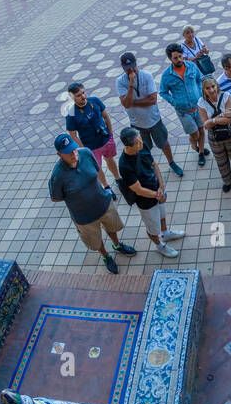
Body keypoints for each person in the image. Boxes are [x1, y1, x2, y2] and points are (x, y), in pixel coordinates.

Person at [49, 134, 136, 274]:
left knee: (111, 227)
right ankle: (105, 256)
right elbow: (55, 197)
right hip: (84, 217)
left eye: (74, 149)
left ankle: (117, 245)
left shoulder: (86, 153)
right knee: (95, 240)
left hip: (103, 203)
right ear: (59, 154)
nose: (73, 154)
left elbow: (96, 171)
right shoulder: (57, 176)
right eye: (68, 152)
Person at [116, 128, 186, 257]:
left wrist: (161, 185)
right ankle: (159, 245)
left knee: (162, 214)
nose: (142, 143)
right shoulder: (124, 165)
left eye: (140, 139)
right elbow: (138, 190)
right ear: (129, 145)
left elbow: (154, 165)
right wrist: (157, 195)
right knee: (152, 227)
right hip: (145, 201)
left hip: (157, 191)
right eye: (138, 142)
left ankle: (165, 233)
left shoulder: (143, 146)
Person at [115, 51, 182, 177]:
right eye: (127, 68)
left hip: (154, 119)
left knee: (163, 143)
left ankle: (172, 162)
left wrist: (132, 102)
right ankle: (149, 167)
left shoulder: (146, 76)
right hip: (137, 124)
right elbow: (126, 104)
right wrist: (130, 85)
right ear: (123, 68)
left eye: (133, 66)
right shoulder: (120, 82)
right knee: (143, 149)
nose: (131, 70)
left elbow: (152, 100)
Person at [199, 76, 231, 193]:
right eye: (208, 88)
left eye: (213, 86)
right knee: (221, 162)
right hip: (214, 137)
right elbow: (205, 124)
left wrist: (212, 120)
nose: (212, 90)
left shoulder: (226, 96)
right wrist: (222, 116)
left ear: (217, 85)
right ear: (203, 90)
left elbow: (229, 119)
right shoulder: (201, 102)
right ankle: (227, 181)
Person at [159, 43, 207, 167]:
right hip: (183, 111)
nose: (179, 59)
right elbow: (163, 92)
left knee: (202, 130)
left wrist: (201, 92)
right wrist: (174, 102)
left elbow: (200, 79)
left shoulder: (191, 66)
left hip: (198, 106)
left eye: (180, 56)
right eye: (175, 58)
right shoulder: (167, 75)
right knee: (195, 134)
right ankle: (194, 144)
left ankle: (201, 152)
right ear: (170, 59)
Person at [65, 82, 121, 187]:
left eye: (83, 92)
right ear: (72, 98)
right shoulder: (71, 114)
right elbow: (73, 135)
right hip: (91, 147)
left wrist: (111, 133)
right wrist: (84, 149)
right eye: (78, 95)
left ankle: (118, 179)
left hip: (106, 139)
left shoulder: (95, 101)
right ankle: (106, 186)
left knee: (110, 160)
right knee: (97, 168)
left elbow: (106, 116)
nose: (83, 96)